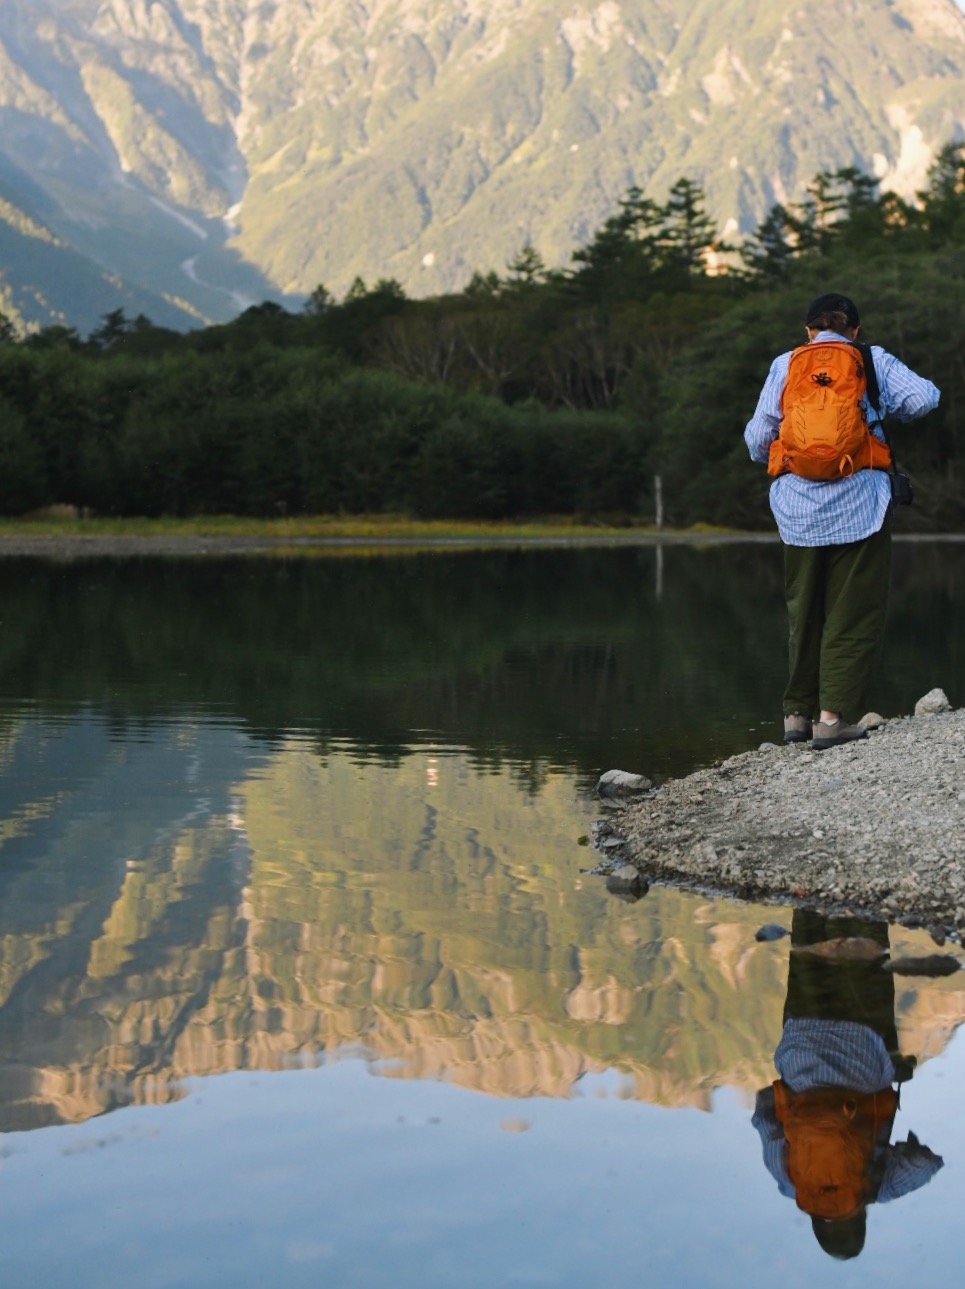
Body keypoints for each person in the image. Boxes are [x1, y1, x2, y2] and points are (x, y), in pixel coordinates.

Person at [744, 294, 940, 749]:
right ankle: (831, 721)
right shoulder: (870, 358)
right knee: (852, 611)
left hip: (797, 508)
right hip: (860, 504)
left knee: (804, 609)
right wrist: (879, 411)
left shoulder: (785, 364)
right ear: (855, 328)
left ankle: (796, 717)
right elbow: (925, 398)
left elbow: (757, 438)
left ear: (808, 329)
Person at [752, 911, 943, 1259]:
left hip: (864, 1043)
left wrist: (881, 1149)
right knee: (807, 948)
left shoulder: (877, 1188)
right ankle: (808, 891)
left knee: (863, 950)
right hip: (801, 1035)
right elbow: (764, 1111)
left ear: (860, 1222)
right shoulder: (788, 1180)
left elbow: (926, 1163)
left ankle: (857, 898)